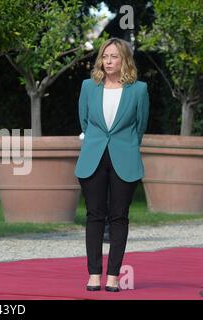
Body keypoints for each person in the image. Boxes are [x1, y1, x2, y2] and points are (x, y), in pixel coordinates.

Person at [74, 38, 149, 292]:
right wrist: (98, 141)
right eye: (105, 56)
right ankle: (94, 273)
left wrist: (125, 145)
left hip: (124, 158)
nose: (108, 61)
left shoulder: (139, 90)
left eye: (114, 56)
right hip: (93, 157)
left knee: (119, 217)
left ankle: (114, 276)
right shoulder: (88, 86)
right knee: (94, 216)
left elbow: (140, 126)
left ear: (124, 60)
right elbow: (85, 122)